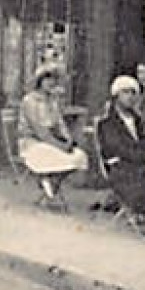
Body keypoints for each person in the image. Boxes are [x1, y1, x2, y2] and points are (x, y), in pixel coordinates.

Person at [95, 75, 145, 238]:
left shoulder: (136, 120)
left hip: (139, 163)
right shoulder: (107, 123)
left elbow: (143, 142)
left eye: (133, 93)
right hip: (121, 168)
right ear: (116, 95)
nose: (131, 97)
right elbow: (117, 148)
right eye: (126, 92)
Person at [17, 62, 88, 205]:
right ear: (39, 81)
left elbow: (60, 124)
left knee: (78, 156)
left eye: (54, 79)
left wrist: (67, 140)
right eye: (47, 79)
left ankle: (51, 184)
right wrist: (58, 145)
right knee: (52, 154)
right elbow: (39, 130)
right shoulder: (29, 101)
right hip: (32, 141)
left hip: (53, 140)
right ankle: (47, 184)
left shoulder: (53, 101)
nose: (51, 83)